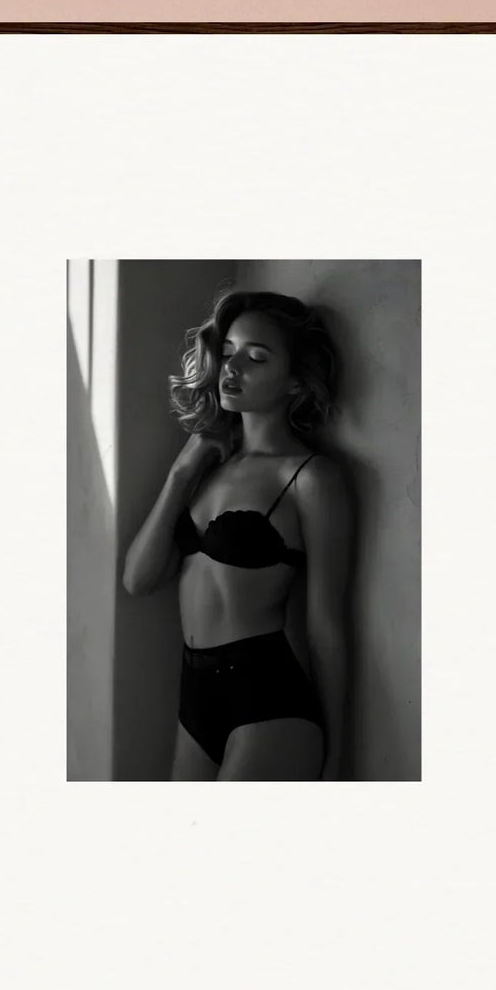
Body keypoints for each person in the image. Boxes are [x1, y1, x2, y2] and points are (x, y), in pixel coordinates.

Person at [123, 289, 352, 780]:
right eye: (227, 353)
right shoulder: (209, 468)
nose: (231, 369)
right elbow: (138, 580)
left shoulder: (310, 478)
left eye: (256, 357)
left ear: (294, 381)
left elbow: (326, 624)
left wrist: (338, 756)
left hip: (269, 701)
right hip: (194, 699)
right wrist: (180, 474)